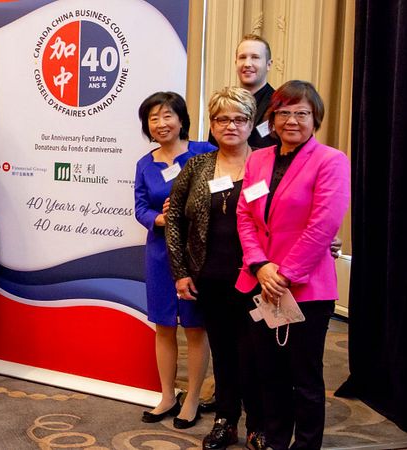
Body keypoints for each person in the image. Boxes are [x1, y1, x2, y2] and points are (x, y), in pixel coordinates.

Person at [236, 80, 350, 449]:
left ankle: (306, 444)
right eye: (283, 112)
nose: (292, 120)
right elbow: (245, 217)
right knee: (268, 372)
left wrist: (283, 275)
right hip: (261, 285)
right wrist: (260, 266)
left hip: (306, 289)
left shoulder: (331, 161)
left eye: (302, 112)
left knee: (305, 378)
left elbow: (323, 227)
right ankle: (276, 439)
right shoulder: (257, 159)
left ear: (315, 118)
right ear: (272, 118)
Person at [166, 87, 266, 449]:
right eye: (222, 119)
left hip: (258, 278)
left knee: (255, 353)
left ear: (251, 123)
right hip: (210, 275)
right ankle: (226, 420)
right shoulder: (198, 164)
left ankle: (259, 424)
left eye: (239, 119)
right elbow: (174, 216)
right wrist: (180, 270)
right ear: (212, 124)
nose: (231, 126)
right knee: (223, 351)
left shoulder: (267, 162)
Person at [134, 91, 215, 428]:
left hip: (198, 254)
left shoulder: (205, 153)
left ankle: (193, 397)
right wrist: (160, 219)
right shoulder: (145, 164)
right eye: (153, 118)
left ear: (181, 119)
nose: (161, 123)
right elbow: (140, 208)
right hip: (159, 252)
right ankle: (168, 394)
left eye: (167, 115)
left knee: (195, 327)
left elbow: (224, 193)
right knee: (164, 325)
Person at [209, 34, 277, 150]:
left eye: (255, 57)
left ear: (268, 65)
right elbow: (213, 147)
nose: (247, 64)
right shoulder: (224, 104)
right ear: (236, 62)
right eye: (242, 57)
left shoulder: (280, 105)